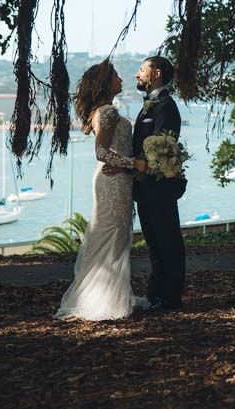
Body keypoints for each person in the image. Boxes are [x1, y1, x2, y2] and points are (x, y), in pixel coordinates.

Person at [56, 61, 149, 321]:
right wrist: (134, 164)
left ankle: (111, 296)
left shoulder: (105, 110)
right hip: (112, 181)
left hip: (117, 178)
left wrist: (128, 166)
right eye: (116, 76)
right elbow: (101, 152)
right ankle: (103, 301)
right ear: (105, 83)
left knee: (115, 234)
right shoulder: (106, 112)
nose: (121, 79)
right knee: (112, 233)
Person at [110, 56, 187, 311]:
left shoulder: (166, 107)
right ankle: (156, 295)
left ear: (157, 73)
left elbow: (162, 147)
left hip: (160, 188)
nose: (137, 74)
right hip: (145, 189)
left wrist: (130, 165)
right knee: (154, 244)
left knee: (168, 242)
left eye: (142, 69)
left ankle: (171, 298)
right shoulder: (148, 106)